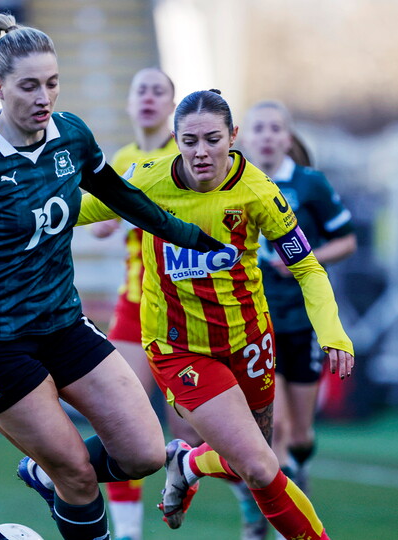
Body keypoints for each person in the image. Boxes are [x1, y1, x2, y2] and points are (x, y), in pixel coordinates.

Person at [0, 15, 222, 540]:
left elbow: (119, 194)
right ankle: (60, 477)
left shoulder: (71, 135)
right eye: (29, 85)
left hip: (63, 325)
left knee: (144, 453)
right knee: (78, 474)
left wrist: (186, 234)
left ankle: (41, 472)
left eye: (52, 83)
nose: (43, 96)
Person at [77, 89, 355, 539]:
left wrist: (333, 332)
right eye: (189, 141)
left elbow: (306, 266)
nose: (200, 152)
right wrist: (4, 209)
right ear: (175, 139)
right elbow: (77, 209)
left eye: (212, 139)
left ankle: (188, 462)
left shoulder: (259, 192)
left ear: (233, 137)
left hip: (248, 340)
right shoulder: (146, 179)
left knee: (255, 458)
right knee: (262, 467)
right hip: (179, 347)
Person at [87, 67, 200, 540]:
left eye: (160, 91)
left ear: (171, 105)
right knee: (122, 420)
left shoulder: (189, 157)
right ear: (131, 105)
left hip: (186, 308)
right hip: (135, 304)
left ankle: (239, 509)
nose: (150, 98)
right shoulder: (125, 159)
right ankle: (128, 533)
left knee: (189, 433)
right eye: (142, 91)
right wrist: (106, 222)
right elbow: (101, 219)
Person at [242, 101, 357, 497]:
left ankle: (298, 466)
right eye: (259, 129)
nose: (267, 136)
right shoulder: (233, 183)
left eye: (275, 129)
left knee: (302, 433)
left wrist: (303, 262)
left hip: (303, 319)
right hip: (256, 321)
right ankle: (279, 506)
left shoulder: (310, 184)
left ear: (288, 138)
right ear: (244, 137)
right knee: (278, 427)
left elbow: (347, 241)